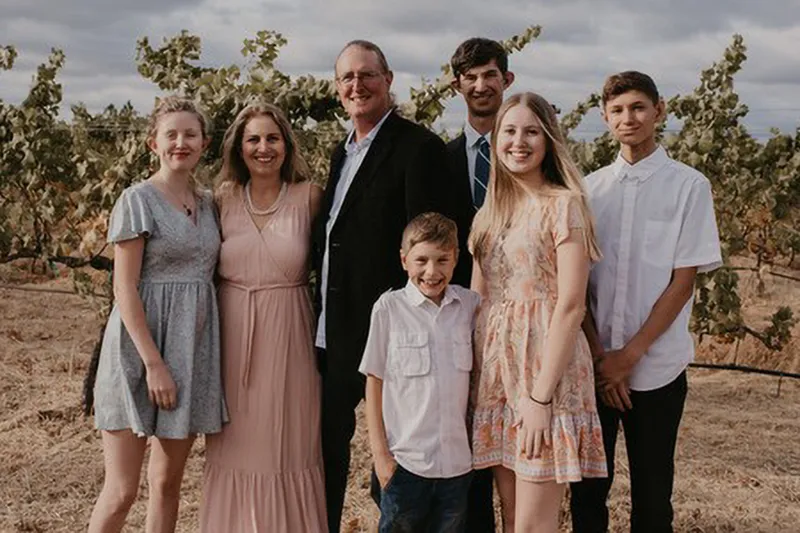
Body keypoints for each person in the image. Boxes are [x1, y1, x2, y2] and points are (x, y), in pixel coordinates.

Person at [312, 40, 456, 533]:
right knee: (327, 454)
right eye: (347, 78)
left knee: (395, 465)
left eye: (367, 75)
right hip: (333, 334)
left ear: (389, 79)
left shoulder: (419, 148)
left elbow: (429, 247)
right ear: (337, 88)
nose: (358, 85)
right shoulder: (341, 151)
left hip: (394, 337)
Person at [570, 71, 722, 533]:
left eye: (638, 107)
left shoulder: (688, 186)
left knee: (653, 498)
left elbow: (682, 281)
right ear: (604, 118)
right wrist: (602, 360)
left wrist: (629, 357)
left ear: (659, 111)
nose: (628, 118)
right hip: (595, 369)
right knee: (588, 494)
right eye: (617, 110)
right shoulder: (589, 190)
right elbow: (578, 286)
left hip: (657, 368)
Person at [469, 92, 608, 533]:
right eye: (509, 131)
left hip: (545, 371)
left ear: (548, 140)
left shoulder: (564, 205)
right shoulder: (490, 213)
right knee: (511, 518)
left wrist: (540, 398)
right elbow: (477, 302)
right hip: (496, 375)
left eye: (531, 131)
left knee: (533, 524)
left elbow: (570, 306)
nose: (518, 141)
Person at [89, 96, 226, 533]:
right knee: (122, 490)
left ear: (204, 143)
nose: (181, 143)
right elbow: (124, 287)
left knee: (167, 483)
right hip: (138, 353)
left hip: (189, 350)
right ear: (154, 144)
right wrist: (153, 364)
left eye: (190, 134)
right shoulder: (137, 200)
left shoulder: (209, 205)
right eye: (171, 135)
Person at [200, 102, 327, 532]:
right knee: (234, 449)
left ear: (287, 145)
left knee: (286, 447)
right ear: (239, 147)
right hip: (232, 335)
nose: (263, 148)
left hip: (289, 336)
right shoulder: (222, 199)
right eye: (253, 139)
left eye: (272, 138)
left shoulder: (309, 196)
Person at [360, 212, 480, 533]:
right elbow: (374, 382)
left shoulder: (470, 306)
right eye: (421, 260)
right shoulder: (388, 309)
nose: (431, 271)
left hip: (456, 466)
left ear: (456, 259)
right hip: (406, 465)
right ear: (404, 261)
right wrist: (382, 458)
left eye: (442, 259)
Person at [446, 37, 515, 531]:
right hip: (456, 318)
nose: (481, 84)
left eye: (490, 74)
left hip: (520, 320)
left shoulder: (532, 150)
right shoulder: (439, 156)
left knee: (513, 454)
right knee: (465, 448)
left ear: (506, 80)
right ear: (457, 86)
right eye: (470, 77)